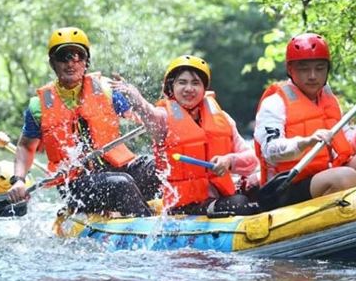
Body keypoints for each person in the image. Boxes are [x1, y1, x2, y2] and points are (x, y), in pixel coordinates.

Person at [8, 27, 161, 217]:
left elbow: (145, 119)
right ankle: (147, 226)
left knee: (157, 166)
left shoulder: (106, 90)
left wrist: (138, 99)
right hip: (75, 184)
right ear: (53, 63)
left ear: (86, 61)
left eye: (78, 56)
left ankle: (164, 212)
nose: (71, 63)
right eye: (64, 56)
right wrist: (19, 180)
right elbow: (25, 147)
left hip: (117, 168)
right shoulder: (38, 106)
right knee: (121, 184)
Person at [110, 55, 260, 216]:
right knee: (241, 204)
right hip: (184, 207)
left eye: (195, 83)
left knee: (257, 186)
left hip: (220, 197)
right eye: (182, 82)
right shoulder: (163, 119)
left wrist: (230, 161)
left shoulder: (223, 119)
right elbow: (149, 114)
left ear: (204, 89)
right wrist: (137, 100)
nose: (189, 88)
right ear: (171, 87)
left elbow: (252, 160)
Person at [254, 33, 356, 208]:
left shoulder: (329, 101)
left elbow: (353, 147)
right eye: (304, 69)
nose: (312, 76)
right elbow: (270, 151)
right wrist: (306, 142)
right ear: (290, 70)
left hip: (324, 175)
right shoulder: (274, 103)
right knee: (344, 176)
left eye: (319, 68)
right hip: (284, 187)